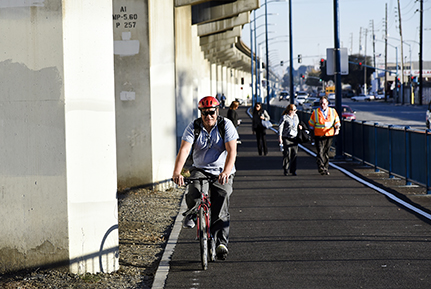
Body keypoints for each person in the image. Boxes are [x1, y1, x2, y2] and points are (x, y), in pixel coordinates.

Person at [172, 96, 238, 261]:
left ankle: (221, 243)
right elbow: (185, 150)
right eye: (204, 113)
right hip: (201, 169)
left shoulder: (226, 125)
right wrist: (177, 172)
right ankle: (193, 213)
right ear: (200, 113)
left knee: (222, 199)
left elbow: (232, 151)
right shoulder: (193, 127)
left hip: (222, 171)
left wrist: (225, 171)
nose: (208, 116)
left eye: (211, 112)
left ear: (217, 111)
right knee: (193, 189)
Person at [308, 96, 341, 175]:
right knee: (320, 151)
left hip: (329, 134)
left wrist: (337, 129)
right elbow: (311, 125)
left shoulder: (333, 111)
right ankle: (321, 167)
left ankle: (325, 168)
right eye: (321, 103)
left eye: (324, 103)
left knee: (326, 152)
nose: (322, 105)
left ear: (327, 103)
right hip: (318, 135)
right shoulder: (316, 112)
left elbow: (337, 122)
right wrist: (311, 136)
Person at [278, 104, 302, 176]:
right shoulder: (285, 117)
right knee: (287, 153)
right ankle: (286, 169)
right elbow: (280, 127)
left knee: (294, 154)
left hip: (294, 138)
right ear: (290, 111)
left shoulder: (296, 117)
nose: (295, 111)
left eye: (296, 110)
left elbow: (297, 124)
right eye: (294, 110)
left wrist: (300, 127)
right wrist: (280, 137)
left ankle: (293, 170)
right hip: (287, 137)